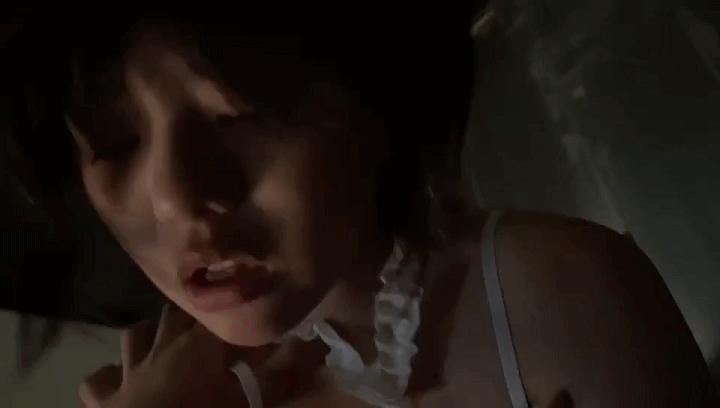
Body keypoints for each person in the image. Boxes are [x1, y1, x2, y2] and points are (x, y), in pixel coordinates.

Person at [70, 15, 718, 408]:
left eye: (236, 112)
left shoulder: (558, 294)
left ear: (368, 92)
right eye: (116, 144)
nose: (177, 198)